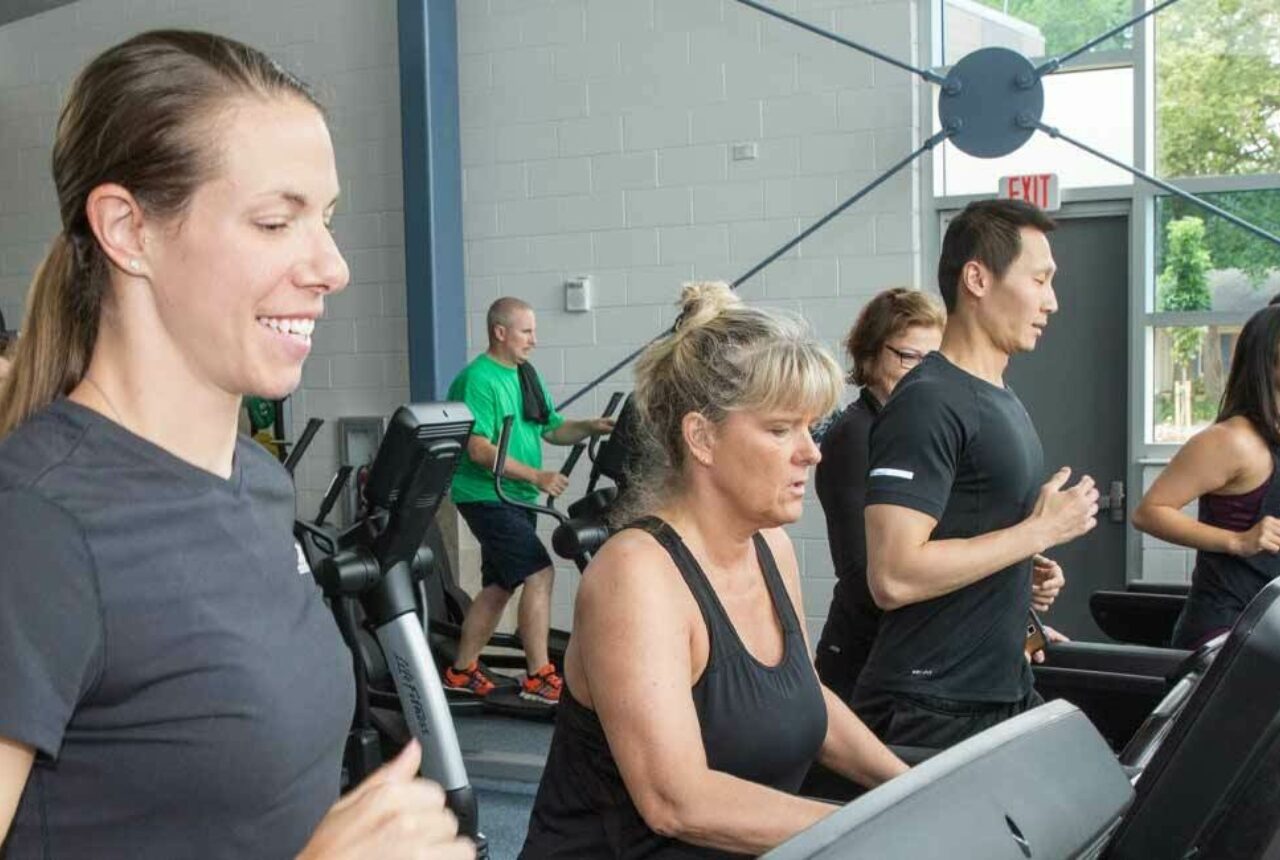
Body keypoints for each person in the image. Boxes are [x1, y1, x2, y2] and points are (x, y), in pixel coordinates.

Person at [0, 30, 472, 859]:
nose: (332, 267)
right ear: (128, 229)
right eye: (275, 221)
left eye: (325, 219)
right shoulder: (37, 525)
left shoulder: (257, 482)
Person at [520, 283, 908, 859]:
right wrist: (872, 828)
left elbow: (806, 699)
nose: (812, 452)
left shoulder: (771, 547)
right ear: (702, 438)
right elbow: (677, 800)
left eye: (811, 427)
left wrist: (910, 788)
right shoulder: (637, 576)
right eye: (781, 429)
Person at [853, 199, 1093, 750]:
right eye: (1039, 280)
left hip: (1000, 687)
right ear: (978, 279)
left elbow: (967, 531)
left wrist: (1021, 572)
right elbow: (893, 577)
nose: (1052, 301)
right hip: (933, 706)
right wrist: (1037, 532)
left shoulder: (999, 395)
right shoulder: (928, 401)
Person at [444, 296, 613, 704]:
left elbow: (552, 429)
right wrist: (538, 476)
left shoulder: (524, 374)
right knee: (540, 573)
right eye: (526, 331)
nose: (534, 340)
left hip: (515, 495)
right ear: (500, 332)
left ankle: (461, 671)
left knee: (500, 584)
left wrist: (590, 426)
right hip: (486, 494)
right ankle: (538, 675)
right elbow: (479, 449)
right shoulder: (478, 380)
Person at [813, 288, 945, 703]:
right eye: (908, 357)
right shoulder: (854, 436)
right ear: (869, 357)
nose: (922, 373)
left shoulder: (918, 435)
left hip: (911, 654)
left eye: (934, 360)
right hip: (866, 662)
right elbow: (864, 574)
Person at [1134, 304, 1280, 648]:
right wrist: (1237, 540)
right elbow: (1148, 513)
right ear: (1268, 361)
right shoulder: (1231, 440)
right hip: (1226, 634)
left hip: (1270, 628)